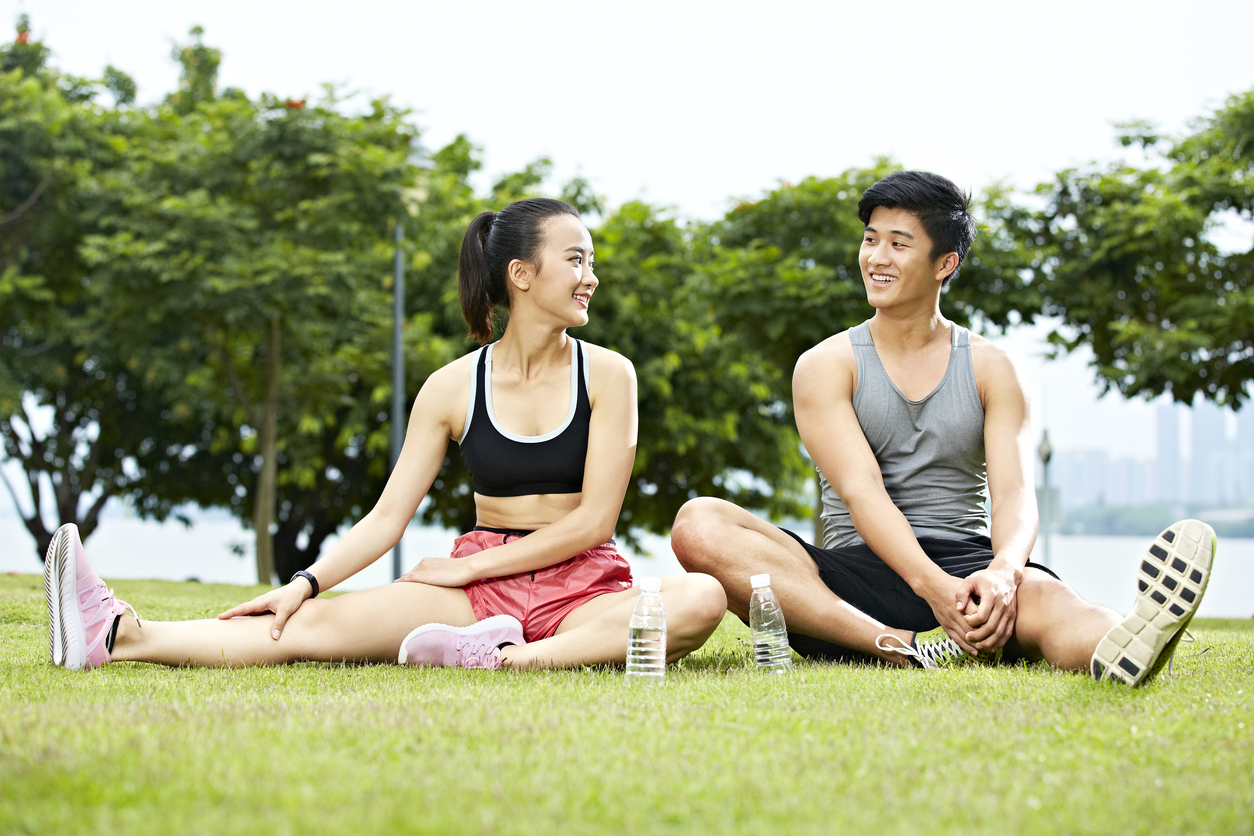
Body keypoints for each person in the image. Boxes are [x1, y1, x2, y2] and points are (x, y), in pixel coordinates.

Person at [45, 197, 727, 672]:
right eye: (575, 260)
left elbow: (593, 521)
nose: (591, 277)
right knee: (307, 631)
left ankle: (512, 660)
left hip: (581, 589)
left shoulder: (610, 375)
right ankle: (117, 634)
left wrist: (466, 566)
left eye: (590, 262)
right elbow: (387, 518)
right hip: (478, 595)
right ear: (521, 275)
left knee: (700, 598)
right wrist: (306, 583)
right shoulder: (452, 387)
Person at [671, 171, 1215, 686]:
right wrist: (931, 590)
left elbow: (1014, 494)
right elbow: (862, 493)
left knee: (1051, 602)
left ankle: (1123, 643)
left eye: (898, 244)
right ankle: (902, 646)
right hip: (850, 583)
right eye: (870, 240)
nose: (876, 258)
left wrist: (1002, 573)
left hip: (967, 565)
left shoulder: (991, 366)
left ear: (944, 263)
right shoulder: (827, 364)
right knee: (700, 524)